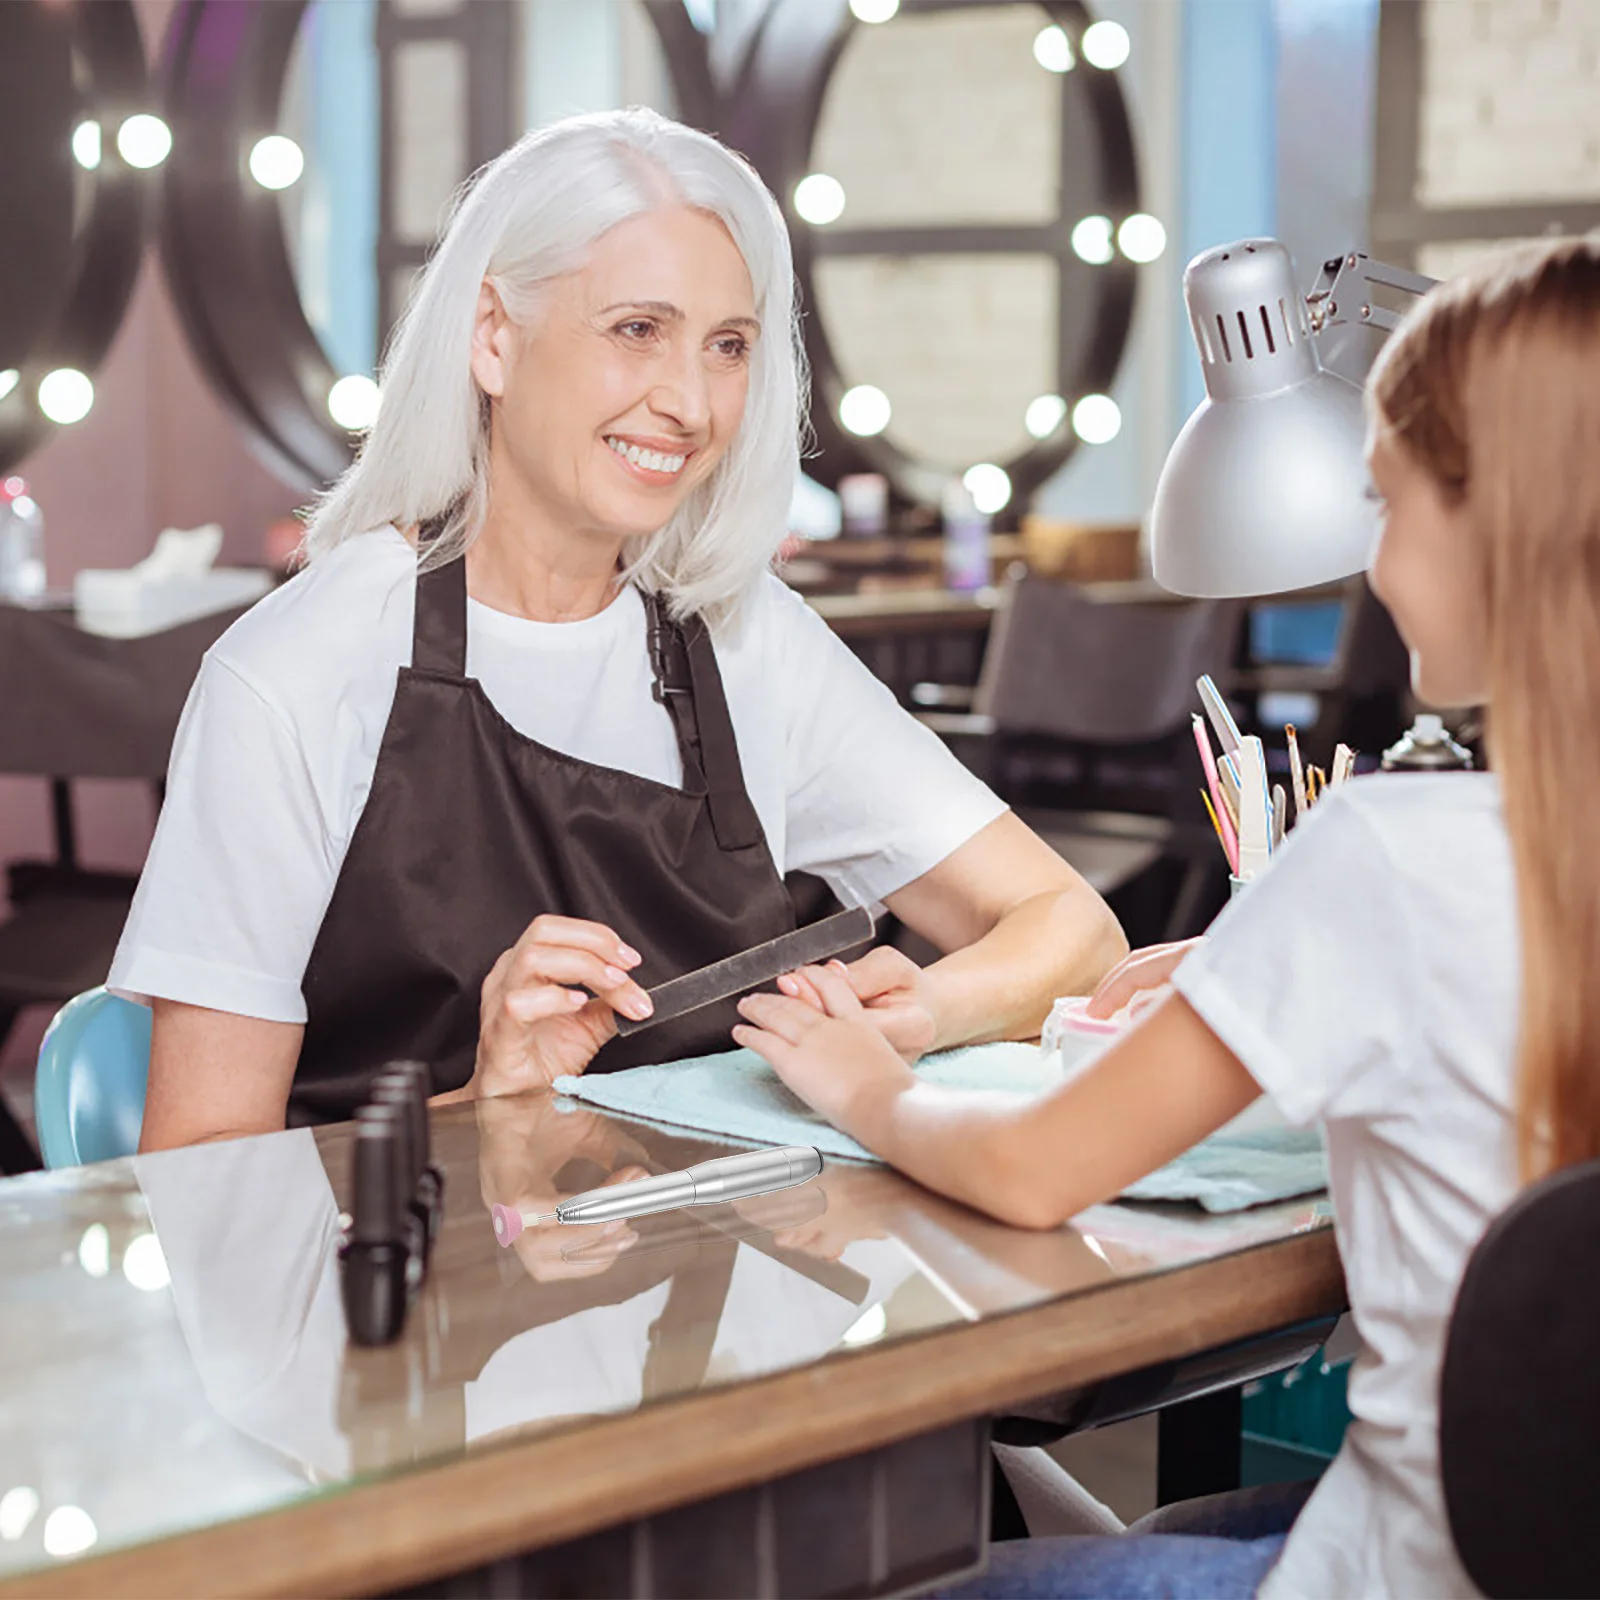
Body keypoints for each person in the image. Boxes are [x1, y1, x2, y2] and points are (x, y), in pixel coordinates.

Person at [731, 233, 1600, 1598]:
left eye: (1383, 504)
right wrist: (1251, 960)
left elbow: (1033, 1173)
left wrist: (864, 1086)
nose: (1369, 566)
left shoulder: (1390, 858)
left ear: (1498, 521)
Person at [115, 108, 1125, 1150]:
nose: (687, 402)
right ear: (493, 339)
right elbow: (201, 1182)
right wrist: (485, 1111)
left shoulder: (746, 641)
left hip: (724, 1283)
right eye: (636, 329)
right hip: (411, 1298)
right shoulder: (292, 677)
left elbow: (1073, 931)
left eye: (726, 346)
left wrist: (911, 1012)